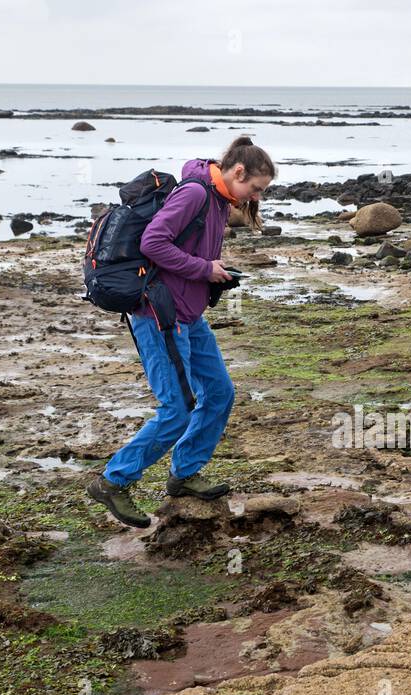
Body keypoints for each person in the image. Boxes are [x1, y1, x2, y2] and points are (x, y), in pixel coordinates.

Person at [87, 136, 275, 528]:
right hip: (159, 315)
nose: (254, 198)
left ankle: (184, 473)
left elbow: (186, 253)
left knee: (220, 393)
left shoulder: (220, 200)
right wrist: (203, 270)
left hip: (190, 316)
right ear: (238, 172)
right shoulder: (194, 194)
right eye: (255, 188)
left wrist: (213, 272)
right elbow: (152, 242)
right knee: (176, 409)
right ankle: (114, 481)